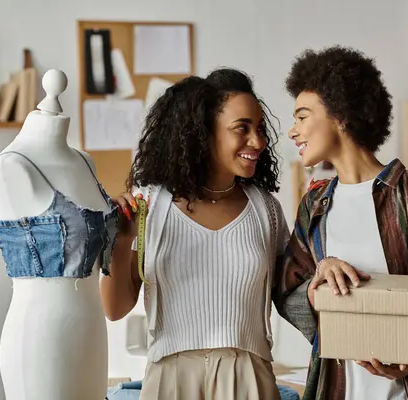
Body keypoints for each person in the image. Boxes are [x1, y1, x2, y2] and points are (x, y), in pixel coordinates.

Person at [272, 46, 408, 400]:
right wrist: (319, 279)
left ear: (340, 115)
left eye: (302, 116)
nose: (293, 131)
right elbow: (286, 292)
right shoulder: (315, 205)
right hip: (339, 389)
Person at [101, 68, 289, 400]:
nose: (258, 142)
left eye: (260, 129)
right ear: (204, 133)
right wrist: (122, 239)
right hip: (170, 381)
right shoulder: (149, 206)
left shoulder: (266, 211)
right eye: (241, 128)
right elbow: (115, 309)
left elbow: (294, 294)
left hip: (249, 380)